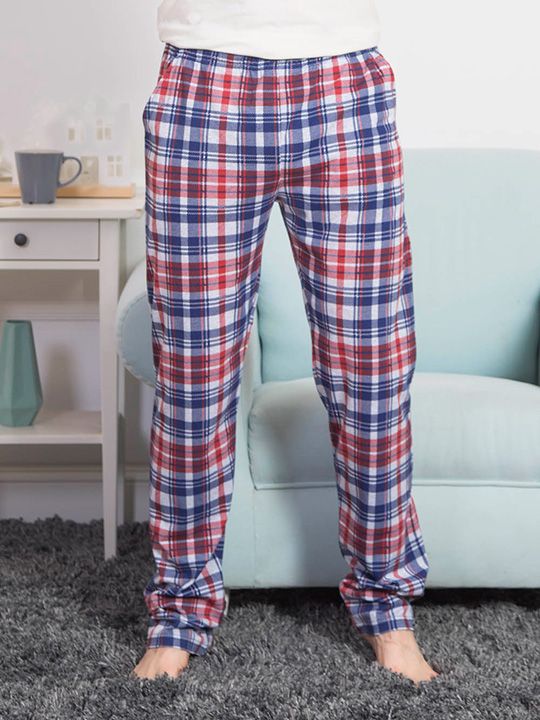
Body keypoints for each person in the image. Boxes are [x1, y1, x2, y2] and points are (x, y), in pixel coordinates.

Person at [133, 0, 440, 685]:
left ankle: (388, 608)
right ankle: (179, 611)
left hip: (343, 79)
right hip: (204, 78)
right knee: (194, 371)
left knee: (371, 369)